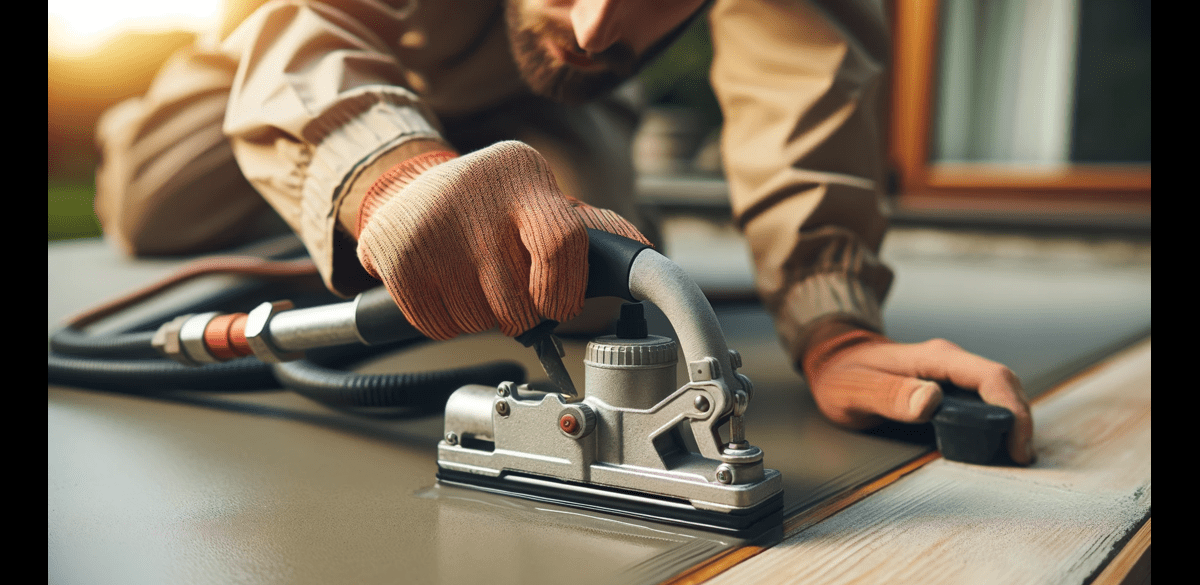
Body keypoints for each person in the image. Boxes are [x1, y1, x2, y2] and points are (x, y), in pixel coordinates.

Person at [93, 0, 1034, 463]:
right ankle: (331, 184)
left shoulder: (577, 44)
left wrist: (837, 325)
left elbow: (809, 91)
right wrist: (392, 175)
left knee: (578, 269)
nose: (591, 26)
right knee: (151, 207)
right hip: (322, 42)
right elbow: (312, 19)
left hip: (529, 106)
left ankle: (453, 190)